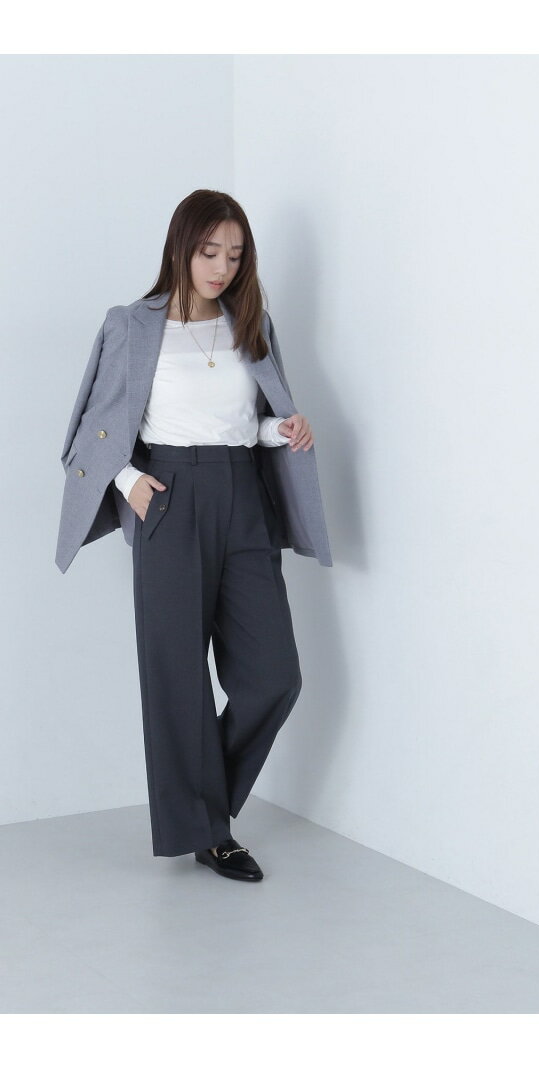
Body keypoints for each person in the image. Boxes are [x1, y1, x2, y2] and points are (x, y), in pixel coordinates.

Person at [56, 189, 332, 882]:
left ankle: (197, 812)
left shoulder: (250, 321)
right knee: (177, 675)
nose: (221, 268)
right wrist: (127, 481)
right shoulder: (131, 325)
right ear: (181, 245)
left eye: (235, 256)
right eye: (210, 252)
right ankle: (212, 832)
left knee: (274, 677)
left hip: (244, 496)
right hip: (169, 497)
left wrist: (282, 429)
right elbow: (88, 430)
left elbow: (247, 421)